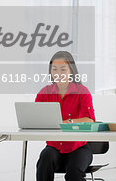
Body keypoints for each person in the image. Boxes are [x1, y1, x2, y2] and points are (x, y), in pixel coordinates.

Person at [35, 51, 95, 181]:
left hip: (78, 147)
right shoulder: (44, 93)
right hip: (54, 146)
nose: (58, 73)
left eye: (63, 69)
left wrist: (70, 121)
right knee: (44, 160)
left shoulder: (82, 91)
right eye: (54, 69)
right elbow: (36, 117)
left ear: (71, 70)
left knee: (74, 173)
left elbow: (90, 120)